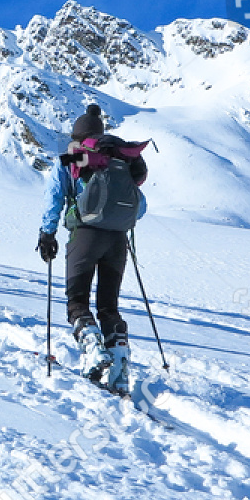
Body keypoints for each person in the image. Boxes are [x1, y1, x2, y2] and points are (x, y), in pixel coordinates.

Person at [36, 103, 149, 393]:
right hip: (117, 240)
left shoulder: (73, 159)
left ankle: (93, 349)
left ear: (76, 134)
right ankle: (120, 363)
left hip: (84, 237)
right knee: (109, 306)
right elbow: (142, 205)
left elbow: (54, 197)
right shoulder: (119, 161)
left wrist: (47, 233)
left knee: (77, 301)